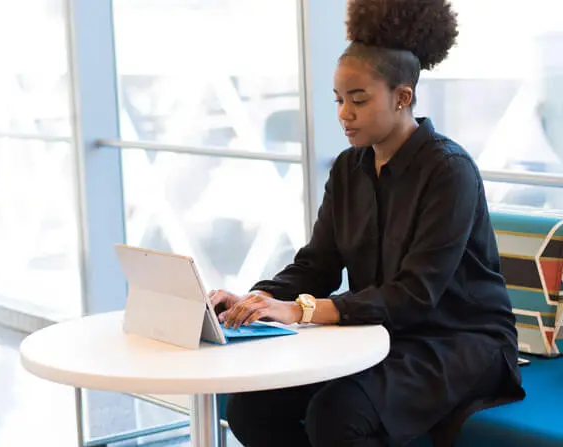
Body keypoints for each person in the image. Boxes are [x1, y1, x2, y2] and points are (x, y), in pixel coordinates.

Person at [209, 0, 525, 445]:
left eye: (358, 100)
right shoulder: (347, 169)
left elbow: (417, 294)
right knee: (253, 407)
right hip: (379, 332)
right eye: (339, 100)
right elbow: (316, 265)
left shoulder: (449, 171)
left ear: (402, 97)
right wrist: (255, 300)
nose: (343, 114)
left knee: (340, 414)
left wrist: (302, 311)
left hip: (460, 340)